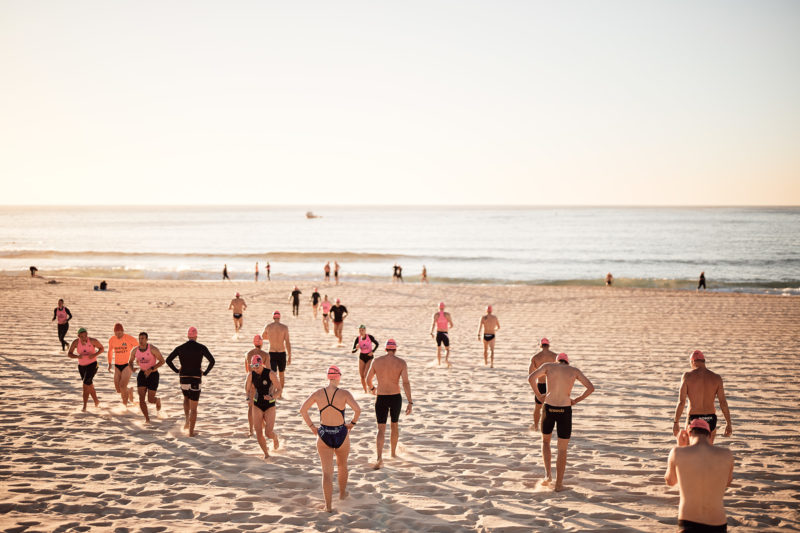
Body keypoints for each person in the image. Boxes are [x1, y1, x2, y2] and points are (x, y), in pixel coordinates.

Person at [528, 352, 594, 491]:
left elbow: (531, 378)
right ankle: (558, 484)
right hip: (565, 409)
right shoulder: (574, 371)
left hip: (549, 408)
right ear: (567, 362)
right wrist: (576, 400)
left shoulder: (548, 366)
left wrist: (539, 395)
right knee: (562, 449)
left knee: (546, 442)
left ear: (557, 361)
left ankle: (548, 476)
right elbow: (590, 388)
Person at [299, 365, 361, 513]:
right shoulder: (344, 393)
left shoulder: (318, 393)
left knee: (327, 473)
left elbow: (303, 409)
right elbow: (358, 410)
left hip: (324, 434)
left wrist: (312, 427)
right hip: (341, 432)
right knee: (342, 465)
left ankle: (328, 506)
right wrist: (351, 424)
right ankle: (342, 494)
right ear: (338, 377)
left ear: (328, 377)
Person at [665, 418, 733, 532]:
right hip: (717, 521)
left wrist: (681, 446)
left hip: (689, 519)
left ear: (688, 433)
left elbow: (670, 481)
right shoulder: (727, 454)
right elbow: (727, 483)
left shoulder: (678, 452)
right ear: (710, 435)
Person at [365, 339, 413, 469]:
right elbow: (406, 383)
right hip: (395, 397)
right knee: (394, 425)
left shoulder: (377, 361)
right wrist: (410, 401)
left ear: (386, 349)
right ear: (395, 349)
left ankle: (379, 457)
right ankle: (392, 453)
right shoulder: (401, 363)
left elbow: (367, 379)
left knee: (381, 428)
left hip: (381, 397)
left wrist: (373, 389)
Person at [672, 350, 732, 444]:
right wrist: (728, 423)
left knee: (689, 450)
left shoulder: (687, 376)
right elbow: (723, 403)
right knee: (708, 451)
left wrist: (676, 422)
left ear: (692, 362)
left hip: (693, 418)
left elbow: (681, 402)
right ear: (704, 361)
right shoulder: (716, 378)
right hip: (710, 418)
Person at [166, 327, 215, 437]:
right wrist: (205, 372)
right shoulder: (201, 347)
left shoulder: (180, 347)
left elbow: (168, 360)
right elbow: (212, 361)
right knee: (194, 408)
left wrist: (176, 370)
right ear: (196, 336)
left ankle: (187, 420)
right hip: (195, 378)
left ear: (188, 336)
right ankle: (191, 432)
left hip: (183, 377)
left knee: (186, 398)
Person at [246, 353, 281, 459]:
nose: (255, 368)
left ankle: (275, 438)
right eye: (253, 366)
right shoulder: (251, 375)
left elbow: (279, 389)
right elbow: (247, 389)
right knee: (258, 431)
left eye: (257, 366)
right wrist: (248, 397)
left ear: (261, 364)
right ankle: (266, 453)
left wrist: (272, 396)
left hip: (270, 405)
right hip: (257, 404)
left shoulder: (270, 374)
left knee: (268, 432)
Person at [128, 332, 165, 423]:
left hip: (153, 375)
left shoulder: (153, 349)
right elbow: (130, 361)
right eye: (140, 338)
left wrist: (151, 369)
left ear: (147, 339)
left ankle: (157, 400)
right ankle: (147, 419)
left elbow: (162, 361)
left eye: (143, 338)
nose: (141, 340)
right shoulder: (135, 350)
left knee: (150, 399)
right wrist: (132, 368)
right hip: (142, 374)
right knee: (141, 399)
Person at [67, 327, 105, 411]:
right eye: (82, 336)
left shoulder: (92, 341)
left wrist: (94, 355)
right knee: (89, 384)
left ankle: (84, 406)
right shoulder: (76, 342)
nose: (84, 338)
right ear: (78, 336)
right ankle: (96, 401)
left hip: (93, 365)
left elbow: (102, 348)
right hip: (81, 366)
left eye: (85, 336)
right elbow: (69, 354)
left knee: (85, 385)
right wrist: (77, 356)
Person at [528, 338, 557, 430]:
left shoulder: (536, 357)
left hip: (541, 384)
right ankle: (550, 428)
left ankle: (536, 426)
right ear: (548, 345)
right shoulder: (555, 356)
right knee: (553, 408)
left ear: (540, 345)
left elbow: (530, 374)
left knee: (538, 407)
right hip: (552, 385)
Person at [261, 311, 292, 396]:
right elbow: (287, 342)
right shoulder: (284, 328)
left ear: (273, 318)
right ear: (279, 317)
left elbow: (262, 337)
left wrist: (271, 337)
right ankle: (280, 393)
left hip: (272, 353)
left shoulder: (268, 326)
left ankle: (274, 392)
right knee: (281, 374)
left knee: (273, 374)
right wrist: (290, 355)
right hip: (282, 353)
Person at [245, 335, 270, 436]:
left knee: (251, 406)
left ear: (253, 343)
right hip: (261, 381)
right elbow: (268, 370)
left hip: (250, 380)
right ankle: (264, 428)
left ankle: (251, 430)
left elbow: (247, 370)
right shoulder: (265, 355)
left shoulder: (248, 354)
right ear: (262, 343)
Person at [107, 323, 137, 406]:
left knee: (122, 386)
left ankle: (125, 406)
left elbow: (138, 347)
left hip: (127, 365)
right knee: (118, 389)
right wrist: (109, 363)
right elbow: (110, 351)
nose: (118, 335)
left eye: (120, 333)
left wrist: (136, 360)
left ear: (123, 331)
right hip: (117, 365)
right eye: (116, 333)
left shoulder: (128, 338)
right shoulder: (112, 339)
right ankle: (129, 391)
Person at [351, 325, 379, 393]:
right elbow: (353, 350)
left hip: (369, 357)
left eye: (362, 330)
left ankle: (371, 388)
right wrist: (356, 349)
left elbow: (377, 344)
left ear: (365, 331)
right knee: (362, 376)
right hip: (362, 357)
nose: (361, 331)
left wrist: (372, 351)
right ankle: (365, 391)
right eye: (360, 330)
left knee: (366, 375)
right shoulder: (357, 339)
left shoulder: (370, 337)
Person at [430, 302, 453, 367]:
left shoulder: (436, 315)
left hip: (438, 333)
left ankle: (439, 363)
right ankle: (446, 360)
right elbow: (451, 324)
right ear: (444, 307)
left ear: (438, 307)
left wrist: (431, 332)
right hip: (445, 333)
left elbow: (433, 324)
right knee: (447, 349)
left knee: (439, 349)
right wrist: (447, 328)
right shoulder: (447, 315)